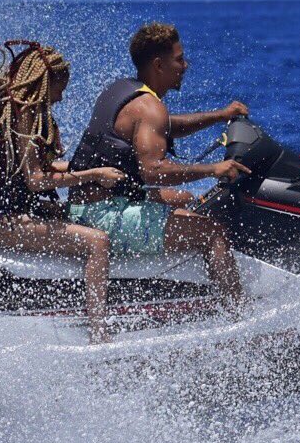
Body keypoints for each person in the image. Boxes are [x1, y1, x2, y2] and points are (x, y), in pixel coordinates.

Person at [0, 41, 129, 341]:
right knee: (98, 242)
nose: (62, 97)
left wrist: (94, 168)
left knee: (81, 216)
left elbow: (41, 171)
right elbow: (38, 180)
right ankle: (99, 333)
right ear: (45, 83)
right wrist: (92, 174)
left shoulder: (20, 112)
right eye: (60, 88)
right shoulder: (23, 115)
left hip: (4, 212)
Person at [67, 22, 250, 302]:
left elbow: (165, 127)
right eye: (179, 59)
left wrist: (220, 115)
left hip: (88, 203)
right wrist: (213, 169)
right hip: (101, 215)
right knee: (212, 232)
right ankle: (239, 314)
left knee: (185, 198)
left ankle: (191, 293)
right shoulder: (150, 107)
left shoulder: (124, 90)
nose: (185, 66)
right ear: (158, 65)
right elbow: (152, 171)